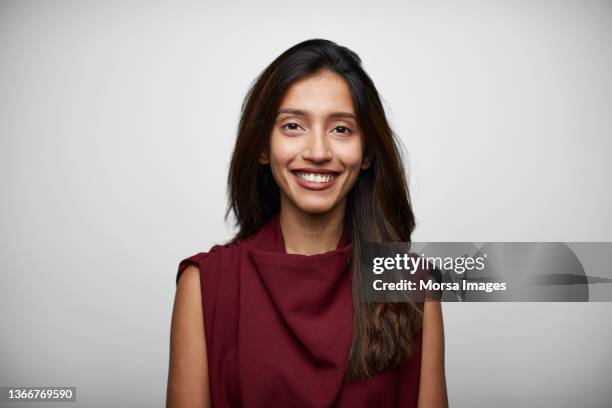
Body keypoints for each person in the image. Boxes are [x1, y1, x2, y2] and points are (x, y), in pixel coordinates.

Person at [166, 38, 448, 408]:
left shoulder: (412, 285)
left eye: (341, 129)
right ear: (263, 146)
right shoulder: (204, 284)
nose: (317, 152)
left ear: (366, 153)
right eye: (294, 126)